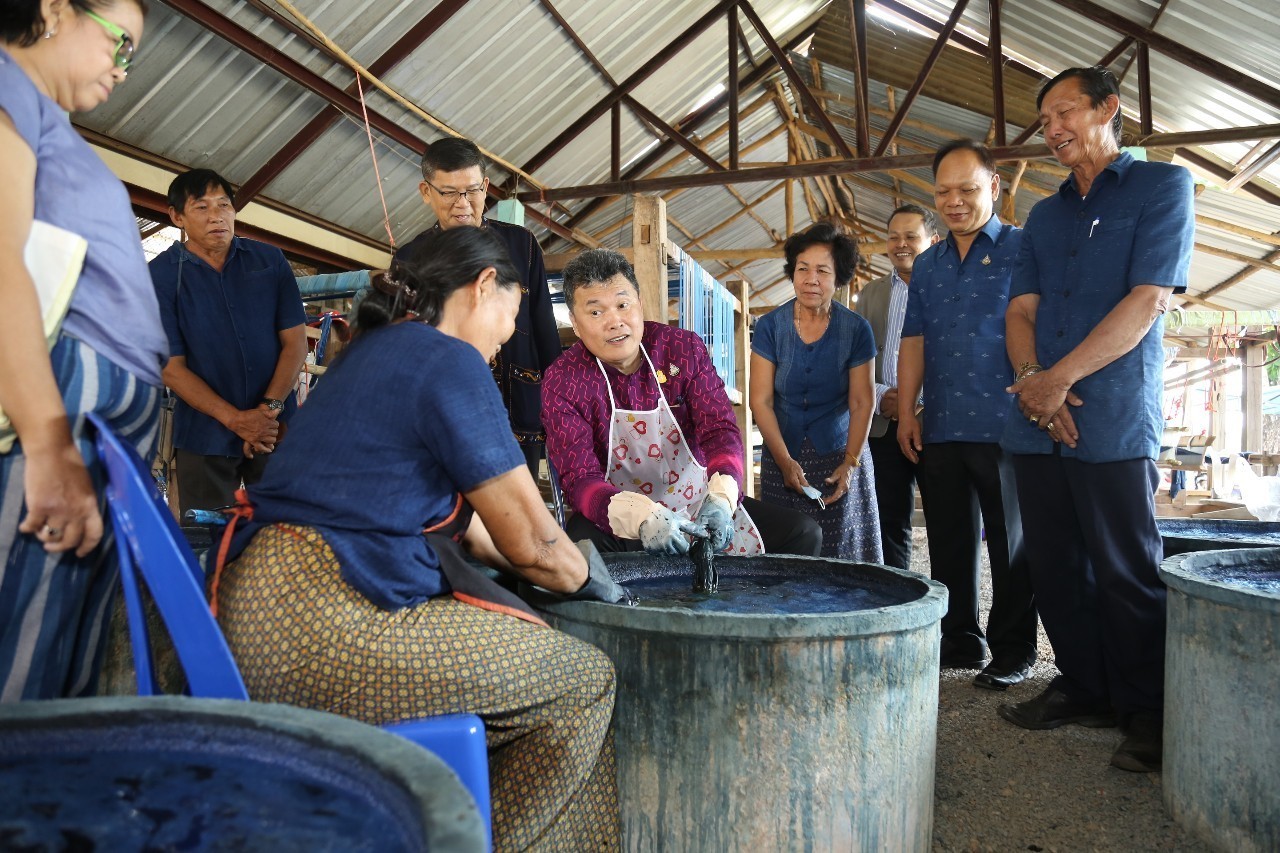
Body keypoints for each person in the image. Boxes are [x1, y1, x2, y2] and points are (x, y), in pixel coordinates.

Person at [216, 226, 624, 850]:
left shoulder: (371, 352)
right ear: (484, 285)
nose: (507, 337)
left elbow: (474, 531)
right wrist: (596, 581)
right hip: (325, 624)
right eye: (511, 315)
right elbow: (533, 546)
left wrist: (557, 559)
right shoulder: (448, 358)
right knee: (584, 680)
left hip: (255, 613)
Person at [997, 66, 1194, 773]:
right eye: (1045, 121)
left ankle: (1147, 711)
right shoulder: (1043, 216)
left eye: (1065, 112)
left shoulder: (1163, 187)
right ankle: (1085, 685)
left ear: (1108, 107)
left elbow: (1148, 301)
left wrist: (1058, 382)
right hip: (1037, 418)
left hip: (1111, 415)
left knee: (1126, 568)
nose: (1053, 130)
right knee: (1053, 565)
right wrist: (1034, 384)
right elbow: (1020, 310)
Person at [0, 0, 167, 700]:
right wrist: (46, 441)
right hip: (64, 396)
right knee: (24, 654)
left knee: (66, 652)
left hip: (99, 408)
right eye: (118, 43)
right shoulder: (9, 83)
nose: (123, 70)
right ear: (54, 10)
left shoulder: (46, 115)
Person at [542, 249, 821, 557]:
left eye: (623, 305)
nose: (614, 322)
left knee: (803, 533)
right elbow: (580, 479)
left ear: (640, 304)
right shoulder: (563, 380)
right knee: (576, 555)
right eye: (596, 312)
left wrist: (721, 499)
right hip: (620, 519)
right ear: (575, 323)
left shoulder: (681, 349)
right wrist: (643, 518)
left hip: (699, 503)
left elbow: (720, 431)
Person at [896, 139, 1038, 689]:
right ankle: (959, 637)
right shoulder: (927, 264)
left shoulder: (1023, 248)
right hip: (942, 420)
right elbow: (914, 340)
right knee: (949, 537)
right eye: (943, 192)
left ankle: (1013, 648)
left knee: (1010, 540)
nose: (954, 201)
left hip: (1006, 419)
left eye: (967, 189)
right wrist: (908, 412)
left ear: (994, 187)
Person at [399, 136, 561, 478]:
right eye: (448, 192)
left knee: (519, 499)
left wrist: (558, 405)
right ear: (426, 192)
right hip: (444, 411)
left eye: (472, 191)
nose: (463, 204)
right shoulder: (410, 259)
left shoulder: (521, 245)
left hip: (518, 406)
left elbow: (544, 328)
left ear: (485, 187)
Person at [149, 169, 308, 515]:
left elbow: (296, 344)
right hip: (204, 436)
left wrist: (267, 411)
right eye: (201, 207)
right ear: (177, 216)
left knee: (285, 529)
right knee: (209, 536)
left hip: (275, 430)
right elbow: (171, 369)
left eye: (223, 205)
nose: (216, 216)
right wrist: (236, 420)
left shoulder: (269, 261)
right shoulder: (160, 276)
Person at [750, 222, 881, 561]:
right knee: (790, 553)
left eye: (822, 271)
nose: (811, 279)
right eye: (802, 269)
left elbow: (862, 401)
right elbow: (761, 400)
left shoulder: (856, 329)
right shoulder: (770, 327)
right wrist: (784, 461)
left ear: (839, 278)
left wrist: (850, 463)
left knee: (845, 557)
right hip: (783, 456)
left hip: (841, 455)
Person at [854, 204, 940, 571]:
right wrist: (879, 397)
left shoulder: (946, 289)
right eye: (893, 237)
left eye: (910, 236)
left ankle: (948, 602)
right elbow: (855, 360)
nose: (900, 244)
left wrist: (916, 404)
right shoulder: (870, 294)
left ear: (933, 241)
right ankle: (898, 594)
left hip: (935, 422)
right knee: (889, 522)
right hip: (883, 425)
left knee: (946, 519)